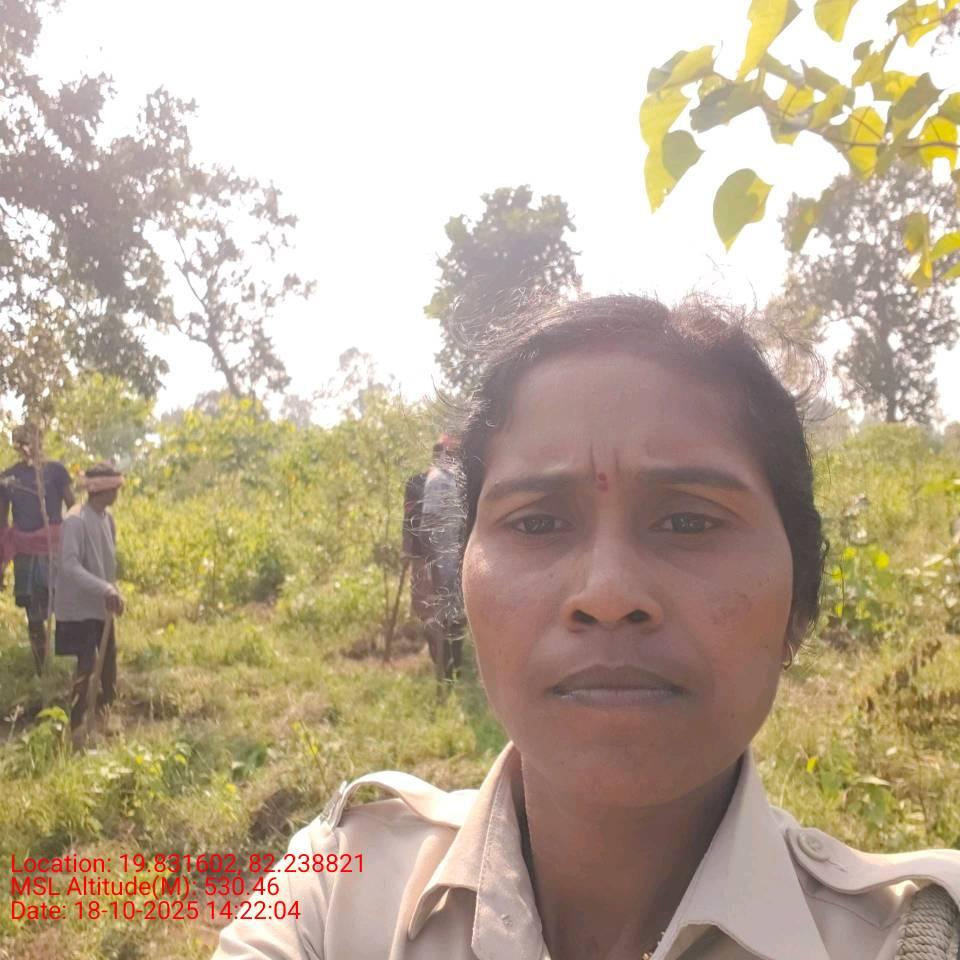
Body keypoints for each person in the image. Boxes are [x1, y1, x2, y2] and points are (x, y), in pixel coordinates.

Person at [214, 296, 960, 960]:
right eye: (537, 523)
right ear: (465, 582)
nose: (608, 595)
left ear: (799, 598)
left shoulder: (919, 938)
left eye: (689, 521)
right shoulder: (333, 892)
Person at [54, 462, 125, 734]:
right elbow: (69, 566)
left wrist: (112, 592)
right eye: (114, 489)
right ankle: (75, 724)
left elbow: (107, 562)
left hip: (101, 604)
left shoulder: (108, 519)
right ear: (102, 490)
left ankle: (104, 717)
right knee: (86, 663)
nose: (117, 493)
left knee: (108, 662)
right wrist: (104, 589)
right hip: (78, 607)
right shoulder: (76, 520)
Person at [0, 425, 74, 674]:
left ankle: (72, 665)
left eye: (31, 440)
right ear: (16, 445)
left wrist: (77, 547)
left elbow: (73, 509)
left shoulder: (56, 471)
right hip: (25, 551)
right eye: (21, 441)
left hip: (54, 549)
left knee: (62, 606)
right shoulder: (8, 478)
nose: (27, 446)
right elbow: (2, 523)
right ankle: (42, 670)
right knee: (33, 614)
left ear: (40, 441)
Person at [418, 436, 467, 682]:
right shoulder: (437, 480)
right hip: (442, 565)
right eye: (453, 452)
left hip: (455, 564)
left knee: (456, 620)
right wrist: (434, 568)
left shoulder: (456, 479)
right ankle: (446, 674)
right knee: (441, 621)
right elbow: (428, 527)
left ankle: (455, 671)